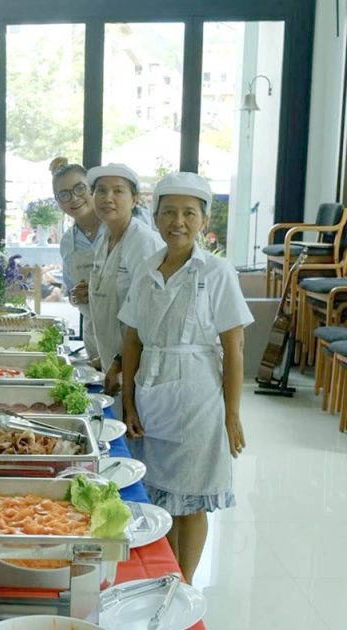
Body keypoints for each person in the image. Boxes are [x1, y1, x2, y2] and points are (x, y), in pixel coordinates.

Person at [119, 172, 253, 584]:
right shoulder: (146, 268)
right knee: (159, 495)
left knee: (192, 499)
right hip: (151, 391)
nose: (178, 222)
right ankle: (166, 578)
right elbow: (132, 339)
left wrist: (232, 414)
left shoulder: (216, 271)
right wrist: (128, 402)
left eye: (189, 214)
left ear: (203, 221)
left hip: (198, 397)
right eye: (169, 212)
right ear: (155, 217)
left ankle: (186, 583)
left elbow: (234, 347)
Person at [86, 163, 165, 393]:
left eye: (118, 191)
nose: (108, 198)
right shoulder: (105, 238)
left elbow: (150, 310)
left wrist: (121, 363)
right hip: (110, 360)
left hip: (136, 365)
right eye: (101, 190)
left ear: (134, 200)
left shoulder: (143, 242)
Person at [52, 161, 105, 358]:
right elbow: (71, 293)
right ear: (58, 201)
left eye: (79, 188)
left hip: (128, 332)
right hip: (94, 333)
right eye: (64, 194)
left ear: (92, 188)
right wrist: (76, 297)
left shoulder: (116, 228)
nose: (74, 198)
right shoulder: (68, 242)